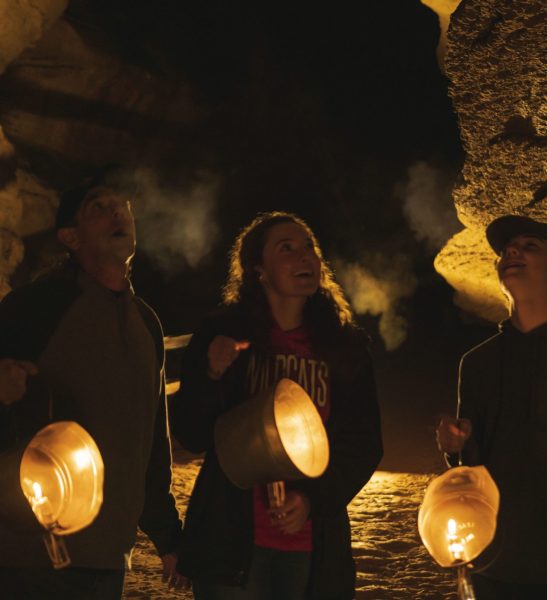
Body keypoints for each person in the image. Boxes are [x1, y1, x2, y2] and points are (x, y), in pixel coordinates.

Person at [169, 211, 383, 600]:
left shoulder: (344, 348)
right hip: (232, 542)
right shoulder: (223, 334)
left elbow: (364, 444)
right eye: (287, 248)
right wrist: (211, 374)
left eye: (309, 249)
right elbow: (191, 433)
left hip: (312, 546)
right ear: (259, 271)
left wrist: (311, 501)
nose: (305, 258)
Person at [0, 168, 186, 599]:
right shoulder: (35, 307)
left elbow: (151, 439)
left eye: (121, 206)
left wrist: (167, 536)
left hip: (107, 552)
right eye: (97, 208)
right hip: (27, 551)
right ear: (70, 236)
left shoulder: (146, 323)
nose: (116, 213)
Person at [436, 215, 547, 600]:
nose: (511, 251)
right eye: (507, 249)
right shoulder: (478, 363)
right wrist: (455, 447)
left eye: (530, 246)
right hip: (496, 562)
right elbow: (472, 474)